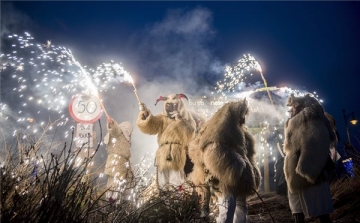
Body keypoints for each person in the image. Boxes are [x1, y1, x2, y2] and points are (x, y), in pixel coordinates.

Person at [188, 98, 261, 223]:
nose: (243, 118)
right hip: (224, 180)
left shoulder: (242, 133)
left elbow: (248, 154)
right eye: (242, 114)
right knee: (227, 208)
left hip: (240, 179)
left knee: (241, 208)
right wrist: (234, 165)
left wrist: (249, 171)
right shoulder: (217, 131)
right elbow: (209, 151)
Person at [284, 94, 336, 223]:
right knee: (298, 209)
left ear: (298, 105)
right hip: (295, 175)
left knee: (320, 207)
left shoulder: (312, 119)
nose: (291, 110)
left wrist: (306, 169)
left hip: (311, 175)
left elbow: (316, 143)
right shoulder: (293, 122)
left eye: (293, 106)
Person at [137, 93, 197, 191]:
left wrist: (180, 121)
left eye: (172, 105)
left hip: (176, 153)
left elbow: (190, 133)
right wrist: (146, 115)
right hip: (162, 153)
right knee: (162, 183)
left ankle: (176, 203)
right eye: (168, 105)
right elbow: (151, 125)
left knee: (176, 181)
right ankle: (164, 202)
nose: (170, 107)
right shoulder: (162, 118)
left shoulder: (185, 117)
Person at [103, 116, 134, 201]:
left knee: (116, 185)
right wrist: (112, 123)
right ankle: (112, 201)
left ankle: (114, 201)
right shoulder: (119, 133)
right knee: (114, 185)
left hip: (119, 164)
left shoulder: (124, 139)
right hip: (116, 163)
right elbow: (114, 130)